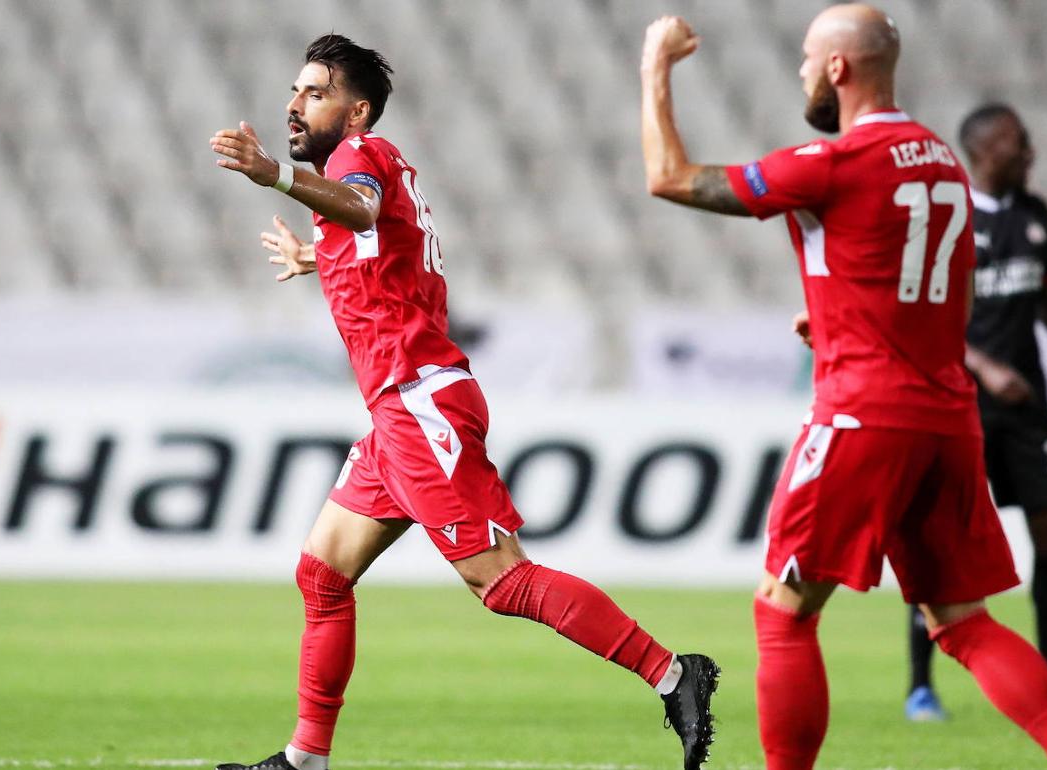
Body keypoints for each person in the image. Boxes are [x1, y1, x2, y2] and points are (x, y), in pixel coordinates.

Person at [209, 34, 718, 770]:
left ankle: (675, 674)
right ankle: (305, 759)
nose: (294, 103)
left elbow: (357, 210)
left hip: (419, 402)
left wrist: (274, 175)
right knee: (322, 574)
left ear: (356, 114)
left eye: (314, 92)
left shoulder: (359, 160)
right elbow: (381, 244)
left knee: (501, 580)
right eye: (294, 89)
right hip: (398, 412)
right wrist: (312, 255)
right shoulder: (374, 168)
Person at [639, 6, 1047, 770]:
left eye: (803, 59)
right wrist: (835, 319)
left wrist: (654, 66)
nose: (798, 72)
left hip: (861, 416)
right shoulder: (945, 166)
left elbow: (670, 177)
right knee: (963, 622)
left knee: (783, 611)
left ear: (836, 69)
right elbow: (930, 295)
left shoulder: (835, 163)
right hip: (948, 422)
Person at [901, 103, 1047, 724]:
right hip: (960, 406)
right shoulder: (950, 216)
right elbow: (921, 313)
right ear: (987, 150)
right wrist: (983, 365)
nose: (1030, 152)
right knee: (937, 543)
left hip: (1027, 409)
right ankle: (921, 687)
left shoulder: (1035, 213)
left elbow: (1042, 296)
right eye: (1018, 143)